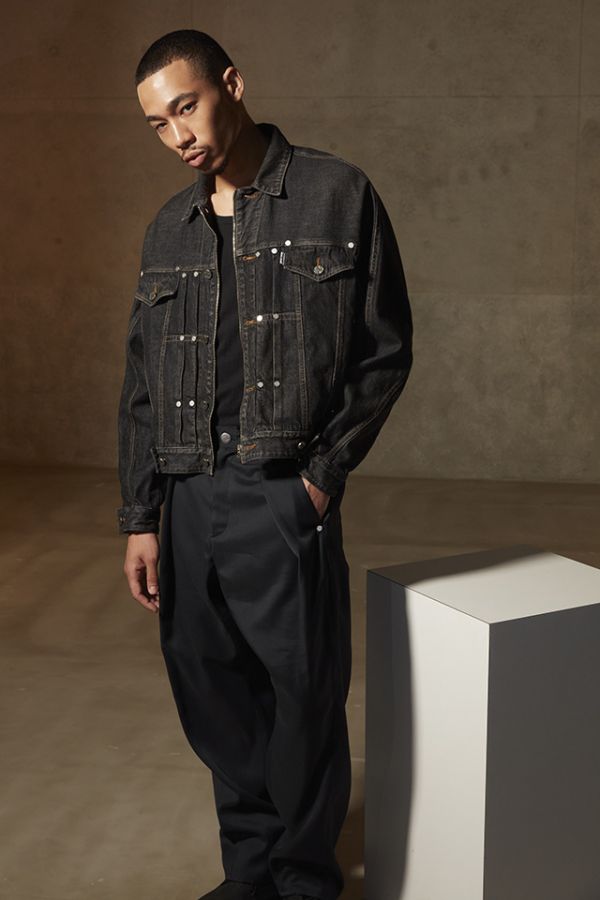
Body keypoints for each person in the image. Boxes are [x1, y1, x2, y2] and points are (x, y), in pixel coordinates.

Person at [117, 28, 413, 900]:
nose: (178, 135)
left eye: (187, 107)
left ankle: (304, 877)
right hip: (187, 496)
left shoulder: (335, 194)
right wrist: (140, 517)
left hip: (281, 488)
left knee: (302, 694)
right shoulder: (167, 229)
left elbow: (384, 350)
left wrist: (322, 475)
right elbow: (140, 386)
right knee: (213, 693)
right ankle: (250, 874)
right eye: (158, 124)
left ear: (232, 85)